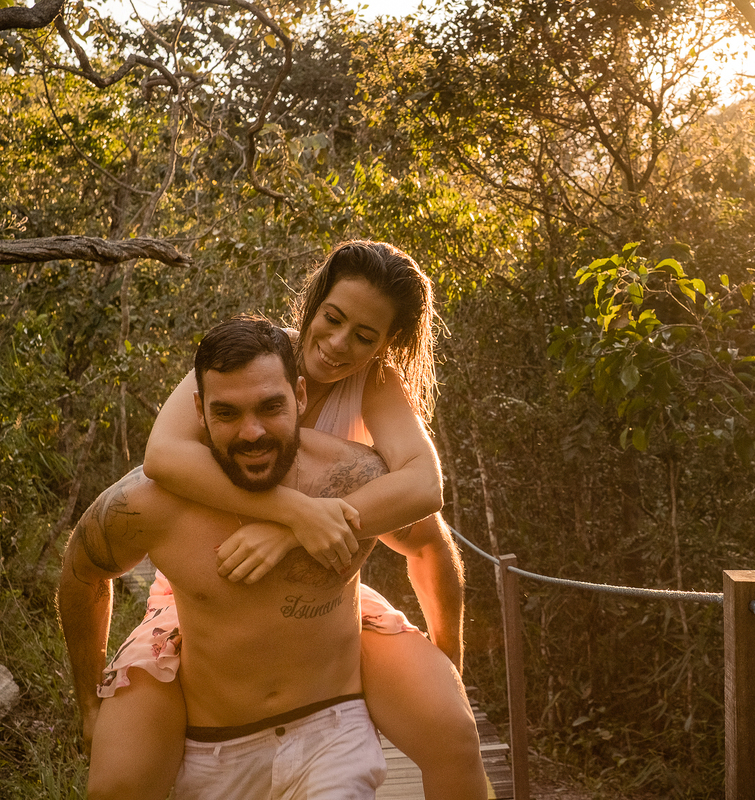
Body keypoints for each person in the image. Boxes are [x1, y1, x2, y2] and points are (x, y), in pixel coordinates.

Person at [86, 243, 488, 799]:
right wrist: (293, 513)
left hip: (315, 592)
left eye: (365, 336)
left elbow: (424, 488)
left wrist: (448, 662)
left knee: (453, 732)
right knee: (120, 781)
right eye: (333, 318)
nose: (339, 343)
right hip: (209, 588)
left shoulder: (376, 384)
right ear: (315, 302)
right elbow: (164, 455)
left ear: (387, 343)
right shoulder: (255, 362)